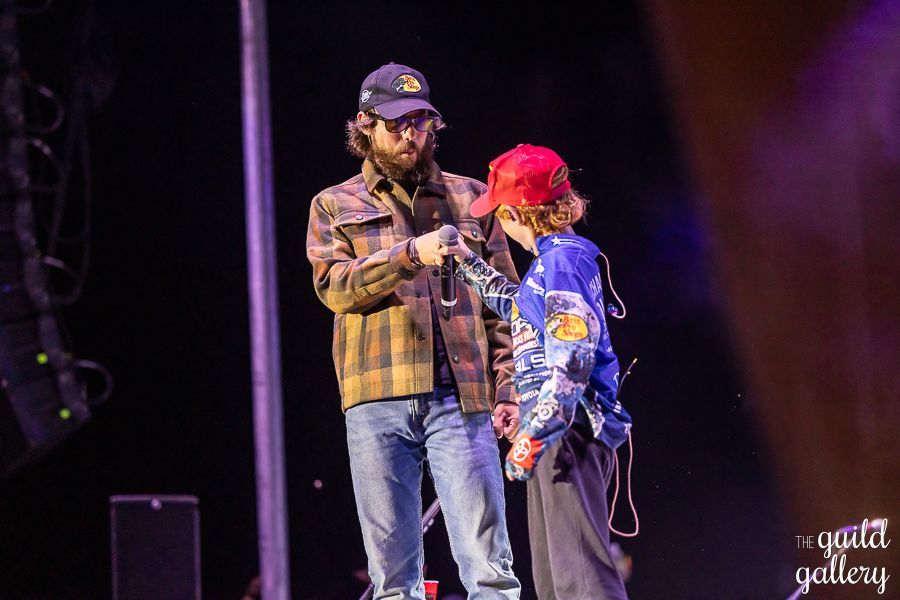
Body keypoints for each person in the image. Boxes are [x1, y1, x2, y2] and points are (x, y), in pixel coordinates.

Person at [305, 62, 521, 599]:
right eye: (398, 124)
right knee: (393, 578)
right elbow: (334, 287)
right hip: (376, 399)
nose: (411, 136)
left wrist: (511, 387)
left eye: (421, 123)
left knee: (489, 570)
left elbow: (506, 308)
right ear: (366, 123)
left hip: (463, 399)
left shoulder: (473, 198)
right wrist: (407, 256)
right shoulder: (335, 204)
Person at [435, 144, 633, 600]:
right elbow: (520, 310)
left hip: (569, 432)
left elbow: (573, 363)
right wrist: (467, 262)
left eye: (500, 212)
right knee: (556, 581)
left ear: (518, 212)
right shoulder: (551, 262)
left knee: (581, 579)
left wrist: (533, 436)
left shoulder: (563, 262)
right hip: (556, 433)